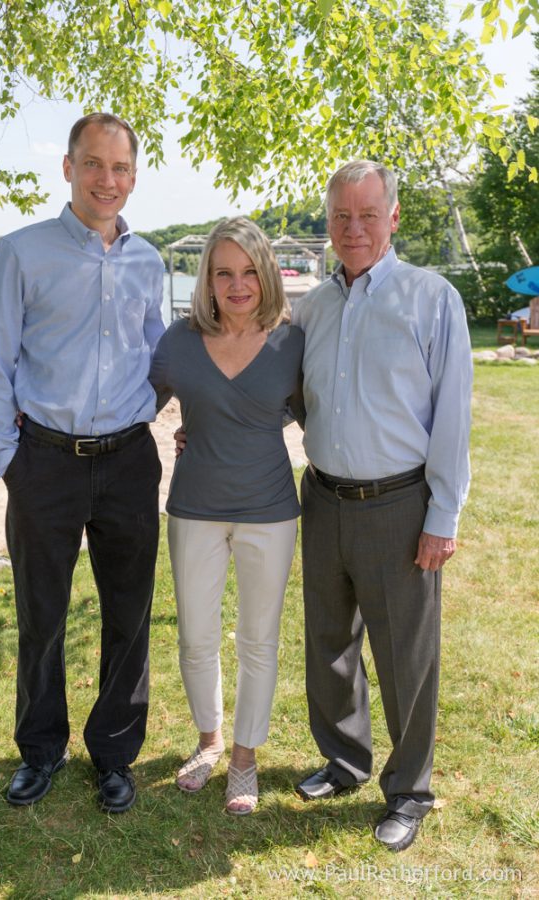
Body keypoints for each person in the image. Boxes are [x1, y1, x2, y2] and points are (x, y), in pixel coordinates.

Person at [0, 113, 165, 814]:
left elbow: (159, 355)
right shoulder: (22, 252)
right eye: (94, 164)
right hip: (44, 464)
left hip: (127, 462)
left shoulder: (149, 261)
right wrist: (8, 457)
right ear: (68, 168)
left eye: (120, 168)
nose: (106, 180)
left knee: (128, 615)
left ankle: (114, 754)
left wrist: (161, 415)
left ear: (134, 176)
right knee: (42, 615)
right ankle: (41, 750)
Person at [292, 160, 472, 851]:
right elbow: (281, 392)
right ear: (329, 222)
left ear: (393, 218)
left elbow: (452, 416)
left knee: (406, 657)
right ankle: (344, 761)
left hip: (400, 503)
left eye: (368, 215)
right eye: (342, 217)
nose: (354, 229)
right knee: (329, 643)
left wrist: (442, 517)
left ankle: (411, 790)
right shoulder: (313, 306)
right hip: (324, 498)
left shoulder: (432, 299)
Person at [149, 217, 304, 814]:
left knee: (258, 639)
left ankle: (244, 756)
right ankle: (208, 741)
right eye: (224, 273)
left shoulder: (293, 341)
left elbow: (304, 408)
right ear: (207, 281)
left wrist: (247, 426)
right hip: (195, 509)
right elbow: (133, 405)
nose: (238, 285)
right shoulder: (178, 341)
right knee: (196, 637)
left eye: (248, 272)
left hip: (270, 510)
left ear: (265, 275)